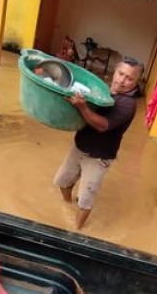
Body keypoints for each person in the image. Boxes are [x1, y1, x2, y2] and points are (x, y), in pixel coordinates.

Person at [53, 56, 145, 229]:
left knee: (85, 201)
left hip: (99, 157)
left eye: (129, 78)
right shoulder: (103, 89)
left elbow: (102, 125)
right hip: (79, 147)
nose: (122, 80)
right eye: (120, 73)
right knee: (62, 181)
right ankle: (66, 206)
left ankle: (76, 229)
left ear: (137, 81)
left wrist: (82, 107)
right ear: (115, 71)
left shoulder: (128, 104)